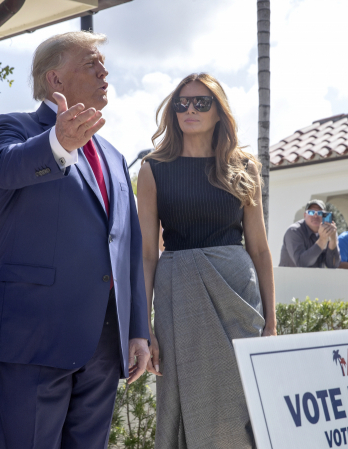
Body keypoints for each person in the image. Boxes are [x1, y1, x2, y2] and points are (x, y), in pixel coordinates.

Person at [0, 31, 150, 449]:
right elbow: (6, 168)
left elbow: (129, 248)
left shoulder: (116, 158)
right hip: (30, 340)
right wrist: (58, 143)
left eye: (104, 65)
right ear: (55, 80)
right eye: (91, 64)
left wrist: (137, 329)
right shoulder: (12, 127)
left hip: (102, 347)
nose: (105, 72)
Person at [137, 72, 276, 449]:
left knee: (244, 401)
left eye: (201, 102)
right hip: (178, 299)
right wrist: (145, 325)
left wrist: (272, 324)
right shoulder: (152, 170)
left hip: (239, 297)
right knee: (186, 397)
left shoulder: (244, 168)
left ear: (219, 113)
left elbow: (261, 249)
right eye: (181, 103)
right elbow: (148, 255)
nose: (190, 109)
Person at [279, 199, 340, 268]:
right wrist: (322, 241)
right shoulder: (294, 231)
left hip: (315, 278)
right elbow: (301, 263)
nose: (315, 216)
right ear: (305, 215)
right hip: (290, 277)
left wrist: (333, 239)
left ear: (325, 216)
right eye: (311, 212)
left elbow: (333, 265)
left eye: (320, 213)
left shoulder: (329, 231)